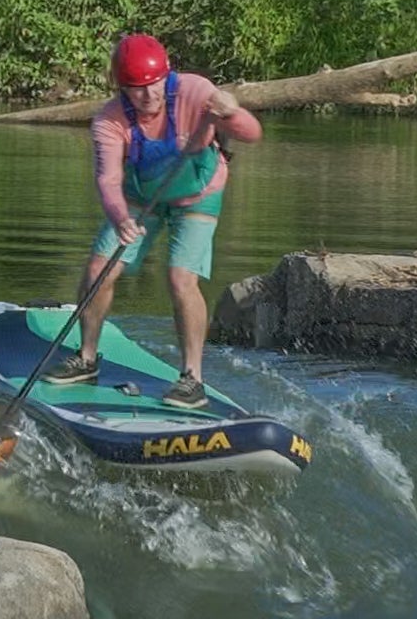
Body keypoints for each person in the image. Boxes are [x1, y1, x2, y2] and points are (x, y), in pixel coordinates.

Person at [48, 33, 260, 406]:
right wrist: (119, 218)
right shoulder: (109, 120)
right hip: (138, 198)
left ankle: (192, 378)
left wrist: (231, 112)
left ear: (166, 74)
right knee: (99, 270)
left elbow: (252, 134)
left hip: (198, 195)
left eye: (154, 84)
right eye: (136, 89)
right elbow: (108, 179)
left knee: (180, 279)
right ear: (122, 87)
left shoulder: (196, 91)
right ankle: (86, 357)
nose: (148, 96)